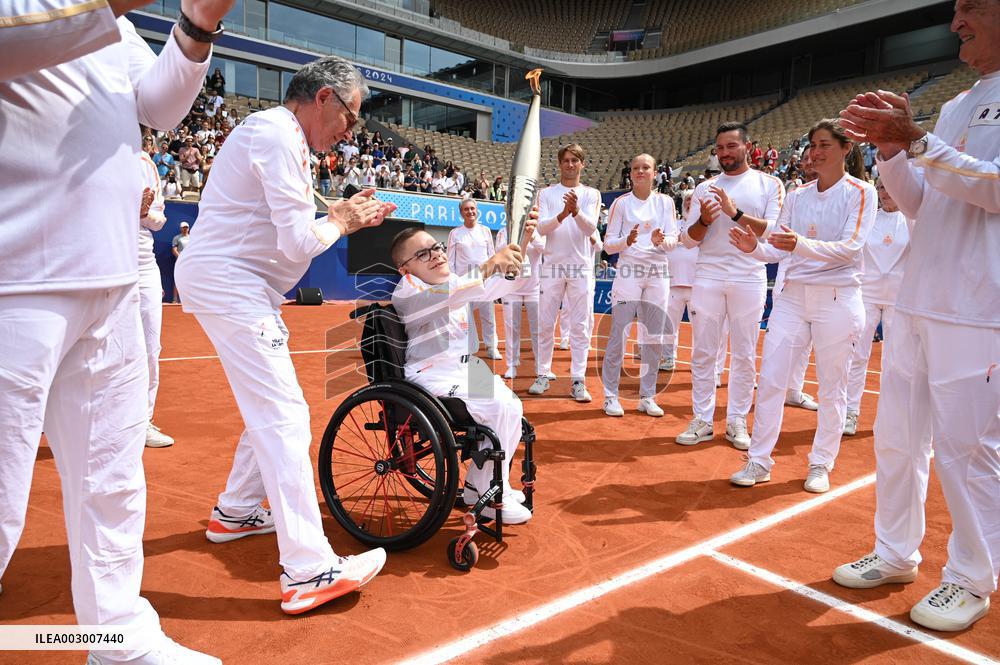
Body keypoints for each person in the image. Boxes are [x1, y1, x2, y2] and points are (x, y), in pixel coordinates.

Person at [0, 1, 232, 662]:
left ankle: (119, 639)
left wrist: (199, 21)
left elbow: (159, 108)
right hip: (15, 282)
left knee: (113, 481)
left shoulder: (120, 29)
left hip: (106, 279)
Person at [175, 55, 394, 615]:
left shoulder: (282, 138)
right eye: (351, 116)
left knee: (272, 409)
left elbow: (296, 233)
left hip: (239, 283)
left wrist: (343, 215)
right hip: (232, 282)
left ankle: (237, 511)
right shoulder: (276, 134)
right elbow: (300, 243)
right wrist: (341, 221)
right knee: (285, 416)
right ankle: (308, 570)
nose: (351, 131)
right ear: (324, 98)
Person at [831, 0, 999, 632]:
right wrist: (893, 153)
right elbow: (923, 208)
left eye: (970, 6)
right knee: (899, 439)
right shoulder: (959, 104)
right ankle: (896, 552)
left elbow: (996, 188)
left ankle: (970, 578)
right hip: (919, 298)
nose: (956, 21)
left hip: (979, 307)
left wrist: (920, 141)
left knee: (968, 450)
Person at [728, 119, 875, 494]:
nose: (816, 151)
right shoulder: (796, 195)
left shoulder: (861, 192)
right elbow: (778, 245)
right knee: (773, 378)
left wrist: (800, 247)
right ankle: (759, 460)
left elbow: (852, 248)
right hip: (793, 299)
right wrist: (756, 250)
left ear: (846, 149)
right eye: (813, 145)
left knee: (832, 386)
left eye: (825, 144)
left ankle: (821, 463)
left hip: (837, 299)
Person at [390, 220, 536, 524]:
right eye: (423, 254)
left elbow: (506, 283)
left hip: (463, 366)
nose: (436, 255)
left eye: (437, 247)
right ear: (405, 268)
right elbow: (451, 293)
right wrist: (490, 263)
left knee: (512, 406)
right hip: (429, 373)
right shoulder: (407, 292)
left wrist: (524, 247)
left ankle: (487, 487)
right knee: (495, 406)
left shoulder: (454, 281)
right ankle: (485, 494)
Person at [675, 122, 784, 450]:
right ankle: (702, 419)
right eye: (720, 147)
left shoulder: (770, 184)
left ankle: (737, 419)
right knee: (704, 352)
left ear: (747, 147)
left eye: (731, 146)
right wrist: (705, 221)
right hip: (707, 276)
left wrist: (735, 214)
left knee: (745, 353)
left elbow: (774, 231)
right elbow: (689, 241)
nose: (724, 153)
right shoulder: (703, 189)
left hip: (749, 276)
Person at [600, 154, 678, 417]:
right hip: (629, 271)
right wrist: (627, 241)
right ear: (630, 173)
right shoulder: (620, 204)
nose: (641, 171)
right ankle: (610, 395)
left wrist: (660, 241)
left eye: (646, 168)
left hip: (658, 271)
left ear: (655, 172)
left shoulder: (666, 202)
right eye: (636, 168)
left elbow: (673, 241)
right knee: (619, 332)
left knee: (653, 335)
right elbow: (608, 244)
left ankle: (648, 395)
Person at [529, 144, 602, 402]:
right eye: (566, 160)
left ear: (582, 164)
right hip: (552, 267)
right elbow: (541, 229)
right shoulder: (546, 194)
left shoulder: (592, 194)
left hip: (581, 268)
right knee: (546, 323)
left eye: (575, 160)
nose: (570, 165)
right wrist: (563, 214)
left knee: (581, 326)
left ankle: (578, 380)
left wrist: (577, 211)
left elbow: (590, 228)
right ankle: (542, 373)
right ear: (559, 164)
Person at [843, 178, 912, 436]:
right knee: (857, 356)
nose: (885, 193)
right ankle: (850, 412)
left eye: (890, 188)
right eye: (881, 188)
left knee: (895, 361)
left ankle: (891, 417)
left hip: (899, 298)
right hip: (867, 294)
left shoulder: (911, 219)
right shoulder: (868, 219)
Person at [772, 145, 820, 413]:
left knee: (807, 344)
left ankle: (794, 389)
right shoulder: (794, 197)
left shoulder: (845, 194)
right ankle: (774, 383)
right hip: (788, 278)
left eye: (814, 157)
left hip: (823, 282)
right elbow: (777, 239)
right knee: (781, 340)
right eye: (805, 158)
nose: (810, 161)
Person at [138, 151, 174, 448]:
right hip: (103, 265)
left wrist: (144, 214)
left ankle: (142, 422)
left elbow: (160, 220)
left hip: (144, 267)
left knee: (151, 349)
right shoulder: (89, 153)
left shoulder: (147, 164)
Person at [447, 198, 501, 359]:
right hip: (464, 283)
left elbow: (492, 256)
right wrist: (453, 281)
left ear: (476, 210)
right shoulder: (455, 233)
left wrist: (493, 279)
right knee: (465, 319)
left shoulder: (485, 231)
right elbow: (450, 260)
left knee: (488, 317)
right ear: (461, 213)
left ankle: (492, 347)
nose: (470, 212)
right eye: (466, 209)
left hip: (484, 281)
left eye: (472, 208)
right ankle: (468, 349)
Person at [495, 223, 544, 380]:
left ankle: (541, 366)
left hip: (533, 287)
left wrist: (532, 235)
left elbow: (545, 249)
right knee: (511, 327)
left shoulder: (538, 230)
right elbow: (499, 253)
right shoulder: (504, 231)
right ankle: (512, 365)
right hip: (511, 288)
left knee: (537, 329)